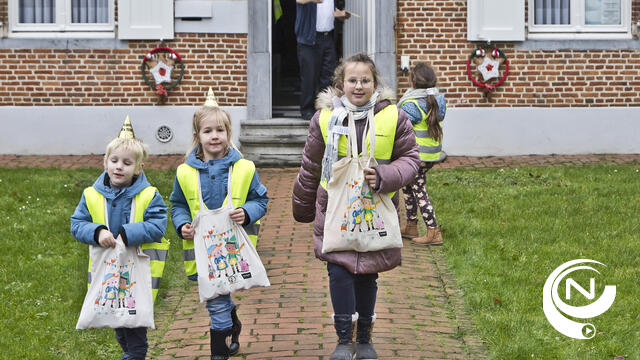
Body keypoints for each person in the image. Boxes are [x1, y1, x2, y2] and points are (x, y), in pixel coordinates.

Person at [292, 53, 420, 360]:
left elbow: (411, 159)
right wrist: (303, 205)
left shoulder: (393, 117)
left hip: (373, 208)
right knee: (339, 273)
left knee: (367, 276)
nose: (359, 86)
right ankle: (343, 339)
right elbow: (311, 165)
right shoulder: (324, 119)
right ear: (340, 84)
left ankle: (364, 338)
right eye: (352, 80)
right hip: (335, 209)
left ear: (375, 83)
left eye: (365, 80)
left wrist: (386, 175)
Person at [169, 89, 269, 360]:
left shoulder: (244, 168)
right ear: (197, 137)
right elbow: (178, 205)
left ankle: (223, 338)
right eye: (207, 131)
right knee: (216, 301)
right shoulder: (185, 172)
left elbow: (261, 200)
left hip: (233, 249)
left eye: (220, 130)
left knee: (219, 299)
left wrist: (247, 212)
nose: (214, 136)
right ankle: (223, 344)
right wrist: (182, 226)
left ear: (228, 134)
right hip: (203, 250)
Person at [71, 116, 169, 360]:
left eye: (126, 163)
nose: (119, 167)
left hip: (136, 271)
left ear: (138, 168)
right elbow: (77, 224)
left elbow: (158, 225)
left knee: (135, 334)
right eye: (114, 160)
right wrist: (97, 232)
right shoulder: (91, 195)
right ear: (105, 162)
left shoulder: (149, 195)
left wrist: (128, 233)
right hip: (108, 274)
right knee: (120, 330)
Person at [397, 62, 447, 245]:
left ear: (412, 82)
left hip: (418, 155)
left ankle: (433, 231)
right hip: (431, 153)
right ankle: (411, 226)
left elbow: (400, 126)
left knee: (418, 189)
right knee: (408, 185)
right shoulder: (437, 100)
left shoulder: (411, 104)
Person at [296, 0, 350, 120]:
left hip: (328, 38)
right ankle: (307, 110)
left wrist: (340, 14)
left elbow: (330, 11)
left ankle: (324, 107)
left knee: (328, 75)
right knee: (309, 76)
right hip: (309, 39)